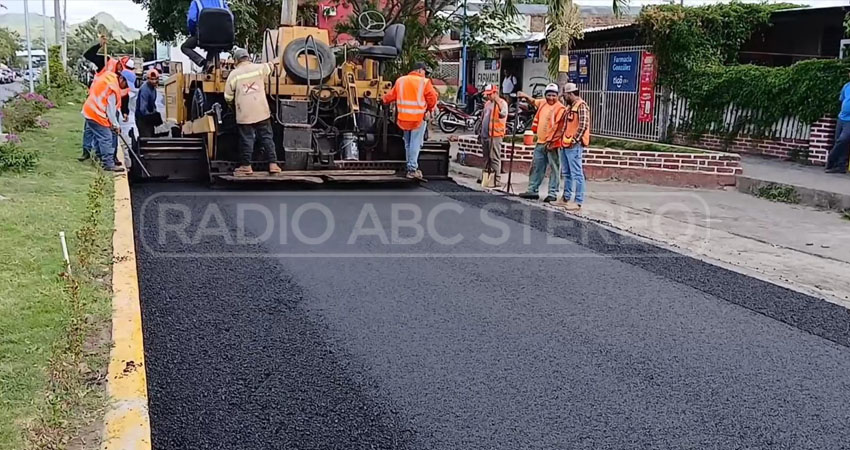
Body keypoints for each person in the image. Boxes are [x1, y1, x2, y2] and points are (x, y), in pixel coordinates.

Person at [224, 48, 280, 176]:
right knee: (267, 137)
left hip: (245, 113)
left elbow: (227, 96)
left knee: (247, 138)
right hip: (262, 110)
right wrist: (276, 60)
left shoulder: (234, 74)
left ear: (236, 61)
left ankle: (246, 166)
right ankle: (273, 164)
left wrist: (232, 105)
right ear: (248, 58)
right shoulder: (259, 68)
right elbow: (271, 66)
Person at [382, 61, 439, 180]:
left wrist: (382, 100)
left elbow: (390, 96)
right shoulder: (424, 82)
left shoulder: (400, 81)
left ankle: (409, 166)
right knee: (415, 143)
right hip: (418, 118)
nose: (425, 74)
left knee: (407, 143)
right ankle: (412, 169)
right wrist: (428, 109)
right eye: (424, 72)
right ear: (419, 70)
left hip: (403, 119)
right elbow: (432, 98)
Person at [517, 84, 567, 203]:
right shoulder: (543, 103)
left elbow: (560, 128)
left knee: (555, 168)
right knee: (536, 167)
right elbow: (533, 101)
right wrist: (524, 95)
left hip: (553, 143)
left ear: (558, 96)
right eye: (549, 95)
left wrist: (552, 141)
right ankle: (532, 190)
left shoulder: (561, 109)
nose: (551, 98)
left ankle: (552, 193)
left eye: (553, 95)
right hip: (540, 142)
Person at [82, 69, 135, 172]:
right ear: (121, 79)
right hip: (95, 112)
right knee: (106, 137)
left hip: (90, 110)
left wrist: (112, 123)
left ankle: (99, 158)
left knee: (100, 136)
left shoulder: (110, 78)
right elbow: (110, 110)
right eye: (126, 84)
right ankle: (108, 164)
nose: (126, 87)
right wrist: (115, 125)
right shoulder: (113, 88)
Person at [554, 83, 591, 211]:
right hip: (566, 143)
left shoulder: (581, 106)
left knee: (577, 173)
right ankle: (565, 198)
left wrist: (575, 139)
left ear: (571, 94)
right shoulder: (570, 107)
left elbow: (583, 125)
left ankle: (578, 201)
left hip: (574, 145)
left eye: (565, 94)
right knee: (566, 173)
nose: (563, 97)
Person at [182, 0, 233, 70]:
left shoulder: (196, 2)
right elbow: (231, 17)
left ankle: (203, 62)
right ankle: (207, 67)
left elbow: (192, 20)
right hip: (223, 38)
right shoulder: (221, 2)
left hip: (204, 36)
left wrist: (194, 33)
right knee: (212, 49)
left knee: (185, 47)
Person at [478, 84, 508, 186]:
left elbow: (503, 114)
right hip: (485, 134)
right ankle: (486, 177)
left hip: (495, 134)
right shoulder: (487, 104)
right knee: (486, 158)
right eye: (487, 94)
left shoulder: (502, 103)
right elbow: (483, 117)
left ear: (495, 93)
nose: (488, 96)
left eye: (490, 94)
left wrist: (497, 101)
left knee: (494, 157)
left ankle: (496, 180)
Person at [826, 73, 850, 174]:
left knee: (843, 140)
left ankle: (831, 159)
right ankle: (840, 166)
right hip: (841, 118)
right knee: (839, 141)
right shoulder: (846, 86)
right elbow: (842, 99)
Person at [136, 69, 162, 138]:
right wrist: (151, 117)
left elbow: (153, 103)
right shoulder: (145, 90)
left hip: (148, 116)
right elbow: (143, 109)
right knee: (146, 139)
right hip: (142, 118)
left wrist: (155, 113)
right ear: (148, 79)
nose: (154, 81)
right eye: (152, 79)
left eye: (155, 79)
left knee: (152, 136)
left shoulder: (153, 89)